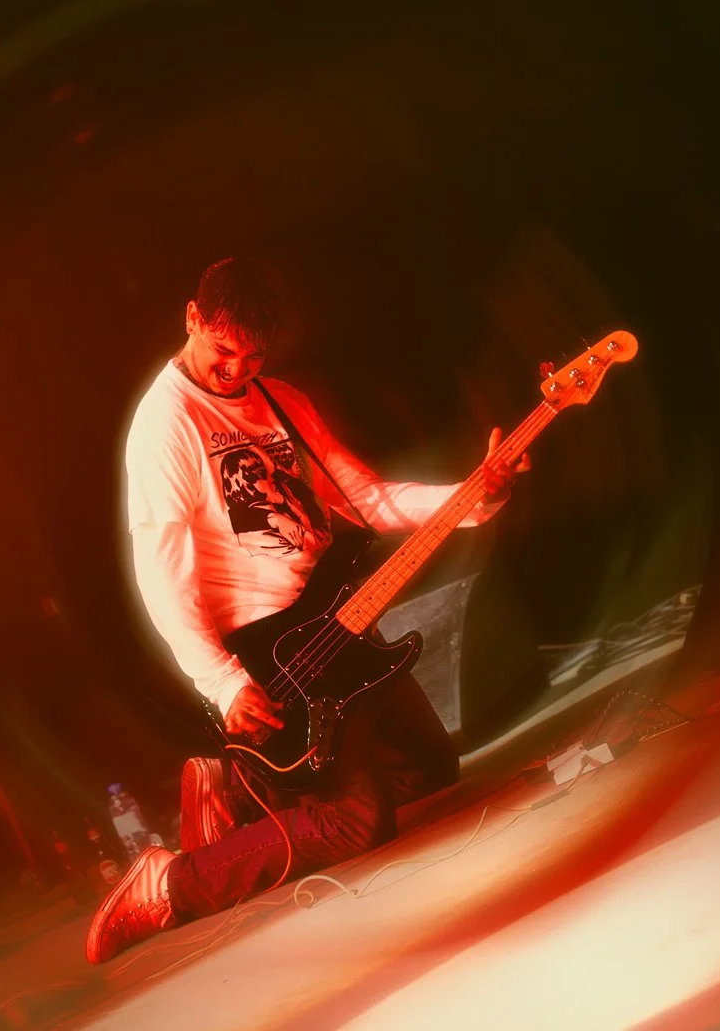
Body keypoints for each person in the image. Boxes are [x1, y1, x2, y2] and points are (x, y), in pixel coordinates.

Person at [85, 257, 530, 964]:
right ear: (193, 318)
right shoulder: (164, 425)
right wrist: (223, 682)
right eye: (223, 350)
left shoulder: (280, 399)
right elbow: (161, 576)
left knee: (430, 770)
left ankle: (240, 793)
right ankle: (171, 882)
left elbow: (368, 498)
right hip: (266, 652)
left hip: (333, 625)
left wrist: (477, 493)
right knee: (359, 824)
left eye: (252, 355)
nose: (235, 370)